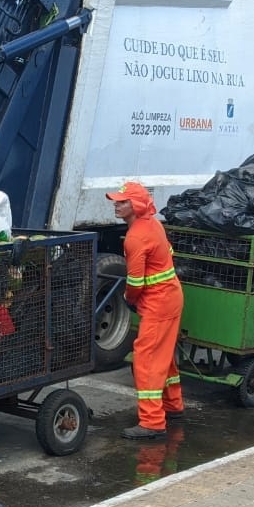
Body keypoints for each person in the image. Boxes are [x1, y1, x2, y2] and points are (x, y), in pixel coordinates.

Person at [107, 181, 184, 440]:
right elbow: (168, 254)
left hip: (158, 302)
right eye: (116, 201)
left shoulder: (135, 238)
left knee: (147, 359)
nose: (116, 205)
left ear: (137, 205)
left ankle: (152, 422)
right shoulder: (154, 225)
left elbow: (136, 282)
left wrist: (129, 299)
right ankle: (173, 406)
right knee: (163, 355)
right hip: (171, 296)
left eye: (123, 202)